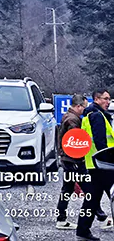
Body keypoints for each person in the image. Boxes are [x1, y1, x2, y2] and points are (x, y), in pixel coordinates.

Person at [76, 89, 114, 240]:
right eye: (105, 99)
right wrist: (109, 160)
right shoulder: (98, 116)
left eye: (109, 99)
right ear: (97, 99)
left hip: (93, 164)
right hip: (103, 165)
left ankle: (82, 231)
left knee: (92, 200)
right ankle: (82, 231)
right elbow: (101, 143)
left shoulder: (88, 115)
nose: (108, 102)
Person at [56, 94, 89, 230]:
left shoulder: (68, 116)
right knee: (89, 189)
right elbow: (75, 143)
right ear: (78, 106)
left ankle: (61, 219)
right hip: (73, 160)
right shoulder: (73, 120)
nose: (85, 111)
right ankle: (101, 216)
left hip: (67, 159)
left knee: (67, 190)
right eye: (84, 107)